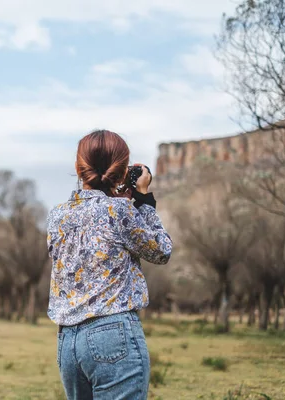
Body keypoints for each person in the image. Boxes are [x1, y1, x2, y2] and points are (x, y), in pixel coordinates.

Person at [46, 130, 172, 400]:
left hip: (68, 340)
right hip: (113, 333)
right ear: (122, 169)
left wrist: (119, 199)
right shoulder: (120, 212)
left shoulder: (57, 216)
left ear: (79, 168)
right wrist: (144, 199)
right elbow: (161, 251)